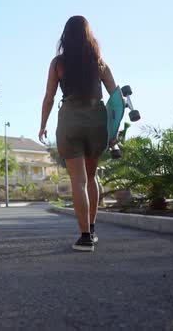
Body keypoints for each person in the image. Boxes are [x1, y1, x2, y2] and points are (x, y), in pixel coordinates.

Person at [39, 15, 117, 252]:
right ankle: (92, 231)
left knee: (79, 181)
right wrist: (113, 131)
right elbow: (115, 97)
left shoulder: (58, 63)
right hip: (97, 121)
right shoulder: (99, 62)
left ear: (66, 36)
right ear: (88, 35)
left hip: (70, 121)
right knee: (91, 177)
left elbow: (49, 98)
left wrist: (42, 125)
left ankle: (84, 237)